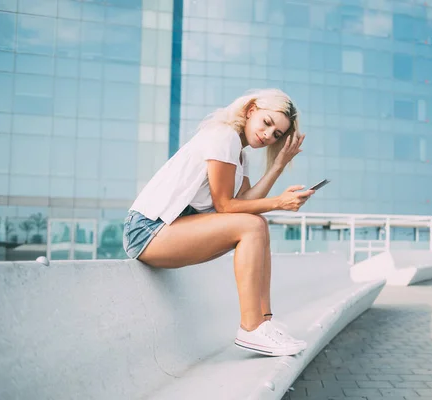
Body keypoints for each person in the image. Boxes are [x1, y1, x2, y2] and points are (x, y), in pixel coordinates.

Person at [123, 89, 315, 357]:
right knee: (253, 225)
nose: (268, 135)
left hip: (173, 230)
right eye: (267, 123)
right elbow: (226, 206)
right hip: (147, 231)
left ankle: (264, 321)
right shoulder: (224, 136)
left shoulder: (240, 154)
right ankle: (251, 328)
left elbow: (246, 203)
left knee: (256, 222)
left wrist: (279, 165)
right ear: (250, 111)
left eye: (277, 135)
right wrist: (278, 203)